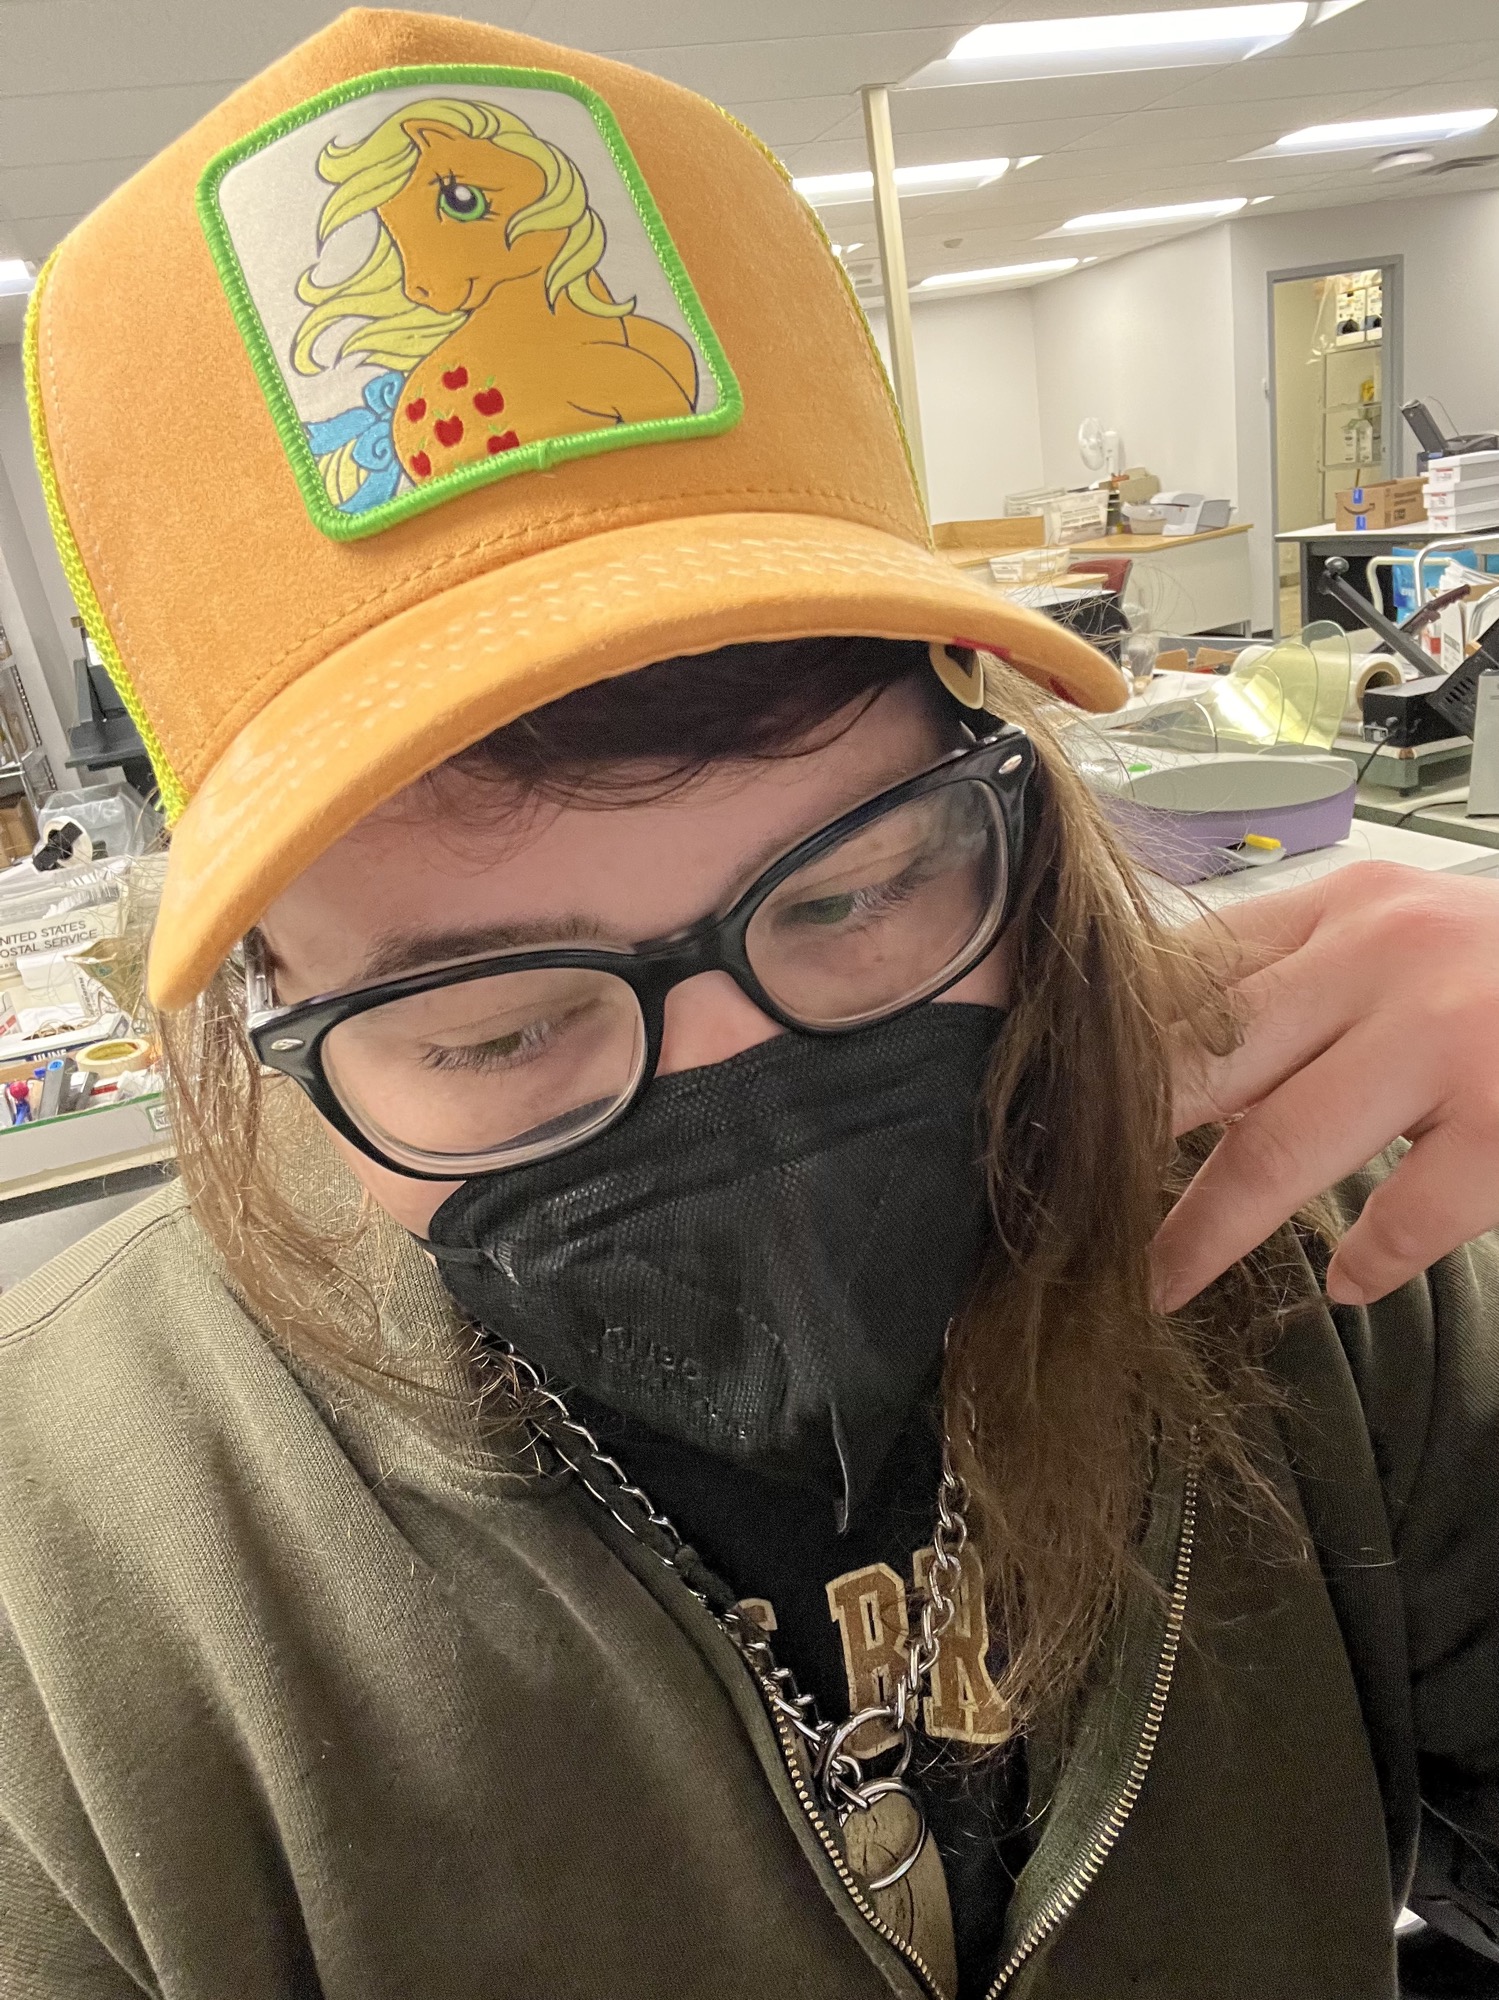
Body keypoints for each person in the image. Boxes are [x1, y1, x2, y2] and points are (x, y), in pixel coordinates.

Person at [5, 12, 1499, 1999]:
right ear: (266, 1001)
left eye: (857, 890)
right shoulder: (67, 1595)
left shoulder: (1307, 1208)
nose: (735, 1072)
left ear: (995, 774)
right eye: (490, 1028)